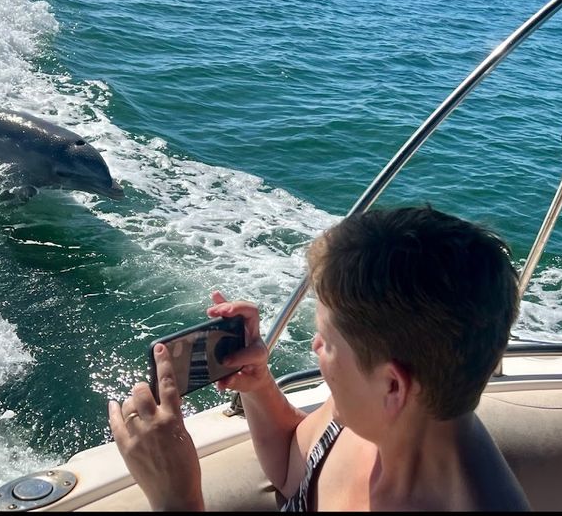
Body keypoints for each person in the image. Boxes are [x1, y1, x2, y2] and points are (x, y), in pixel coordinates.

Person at [108, 204, 531, 511]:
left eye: (326, 341)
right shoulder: (368, 418)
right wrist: (257, 386)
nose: (314, 346)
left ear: (392, 385)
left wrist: (177, 499)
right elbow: (295, 471)